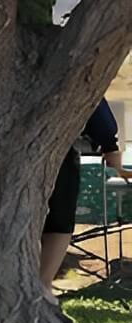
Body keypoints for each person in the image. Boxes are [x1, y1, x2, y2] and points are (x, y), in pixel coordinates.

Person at [41, 98, 128, 286]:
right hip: (55, 153)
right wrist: (111, 147)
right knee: (58, 223)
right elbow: (98, 113)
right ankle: (43, 285)